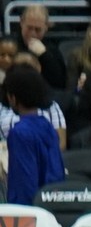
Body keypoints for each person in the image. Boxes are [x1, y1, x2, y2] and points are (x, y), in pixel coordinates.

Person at [0, 63, 61, 204]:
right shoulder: (48, 126)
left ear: (13, 98)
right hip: (54, 205)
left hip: (29, 211)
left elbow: (24, 184)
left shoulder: (19, 133)